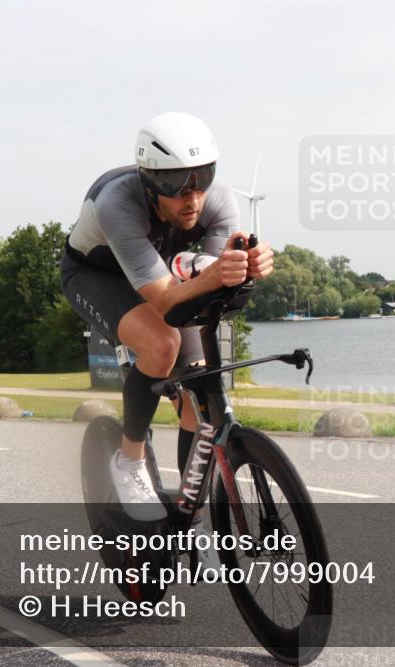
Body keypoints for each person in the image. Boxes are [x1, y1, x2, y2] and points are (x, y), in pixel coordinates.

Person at [60, 112, 274, 538]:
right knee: (161, 345)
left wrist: (248, 268)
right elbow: (164, 299)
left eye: (202, 177)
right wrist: (211, 276)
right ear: (149, 181)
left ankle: (189, 518)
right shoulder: (117, 203)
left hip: (159, 274)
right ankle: (130, 460)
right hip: (97, 276)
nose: (191, 197)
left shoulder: (220, 200)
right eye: (175, 184)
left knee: (198, 392)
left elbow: (208, 281)